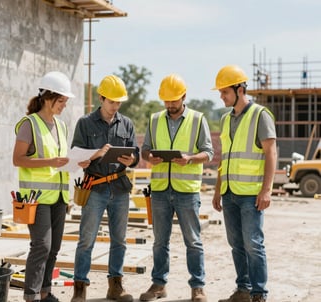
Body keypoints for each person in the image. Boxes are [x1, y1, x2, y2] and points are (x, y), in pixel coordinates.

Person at [140, 74, 214, 302]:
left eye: (174, 100)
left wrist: (190, 158)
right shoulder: (154, 120)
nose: (170, 105)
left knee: (193, 240)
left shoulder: (198, 119)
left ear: (183, 96)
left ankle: (198, 286)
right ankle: (159, 284)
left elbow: (209, 152)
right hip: (161, 190)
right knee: (160, 241)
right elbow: (145, 149)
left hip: (187, 190)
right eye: (166, 101)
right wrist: (149, 158)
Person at [71, 75, 140, 302]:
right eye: (112, 102)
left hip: (119, 187)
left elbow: (134, 152)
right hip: (95, 188)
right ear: (101, 98)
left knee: (119, 239)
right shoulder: (85, 123)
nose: (115, 107)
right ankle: (80, 286)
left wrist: (133, 160)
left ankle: (115, 285)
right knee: (86, 239)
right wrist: (91, 156)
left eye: (119, 102)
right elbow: (76, 155)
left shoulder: (126, 123)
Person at [211, 65, 277, 302]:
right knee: (236, 244)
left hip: (251, 194)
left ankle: (258, 294)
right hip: (229, 193)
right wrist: (218, 189)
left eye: (225, 92)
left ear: (239, 90)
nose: (221, 97)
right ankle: (243, 289)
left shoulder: (260, 115)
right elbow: (225, 157)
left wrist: (266, 190)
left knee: (253, 245)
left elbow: (271, 152)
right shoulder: (225, 119)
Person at [13, 71, 75, 302]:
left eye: (65, 103)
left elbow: (61, 161)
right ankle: (31, 296)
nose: (63, 106)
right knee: (41, 246)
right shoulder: (29, 124)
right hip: (36, 198)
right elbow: (18, 159)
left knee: (55, 247)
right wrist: (50, 162)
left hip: (58, 197)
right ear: (47, 97)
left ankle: (45, 292)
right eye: (61, 101)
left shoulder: (61, 126)